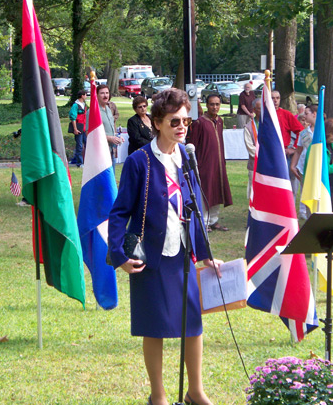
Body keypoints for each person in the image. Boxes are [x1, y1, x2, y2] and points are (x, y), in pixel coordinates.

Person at [108, 89, 222, 405]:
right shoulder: (138, 162)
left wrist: (205, 254)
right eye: (175, 121)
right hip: (148, 256)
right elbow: (119, 213)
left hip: (183, 255)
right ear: (158, 122)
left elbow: (195, 207)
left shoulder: (187, 157)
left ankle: (195, 391)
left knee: (193, 323)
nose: (182, 126)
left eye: (185, 120)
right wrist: (120, 256)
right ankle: (157, 395)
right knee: (153, 326)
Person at [187, 94, 233, 232]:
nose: (215, 107)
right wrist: (194, 164)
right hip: (204, 163)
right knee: (205, 192)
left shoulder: (219, 121)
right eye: (212, 104)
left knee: (217, 190)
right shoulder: (200, 123)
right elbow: (192, 145)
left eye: (217, 104)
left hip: (218, 162)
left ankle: (214, 220)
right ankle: (204, 221)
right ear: (207, 105)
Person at [290, 104, 317, 219]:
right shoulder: (304, 133)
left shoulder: (325, 130)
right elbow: (299, 150)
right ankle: (305, 213)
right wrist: (293, 165)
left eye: (307, 113)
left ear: (314, 114)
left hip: (318, 166)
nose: (304, 116)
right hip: (304, 166)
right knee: (305, 190)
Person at [88, 84, 124, 171]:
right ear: (96, 95)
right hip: (100, 152)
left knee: (111, 177)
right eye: (102, 93)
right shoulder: (93, 112)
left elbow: (109, 129)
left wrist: (117, 137)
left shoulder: (108, 109)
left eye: (107, 93)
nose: (105, 95)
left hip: (111, 150)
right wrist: (109, 138)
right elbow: (89, 134)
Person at [244, 98, 260, 198]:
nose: (262, 111)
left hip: (269, 164)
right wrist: (264, 155)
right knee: (253, 191)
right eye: (259, 109)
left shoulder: (270, 124)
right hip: (254, 164)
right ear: (254, 110)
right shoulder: (248, 127)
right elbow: (250, 147)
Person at [69, 89, 87, 167]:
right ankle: (79, 163)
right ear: (82, 96)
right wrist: (75, 129)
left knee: (87, 144)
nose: (86, 96)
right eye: (86, 95)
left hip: (84, 127)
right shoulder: (75, 105)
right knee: (79, 146)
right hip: (79, 127)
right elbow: (73, 117)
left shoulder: (84, 104)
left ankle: (86, 161)